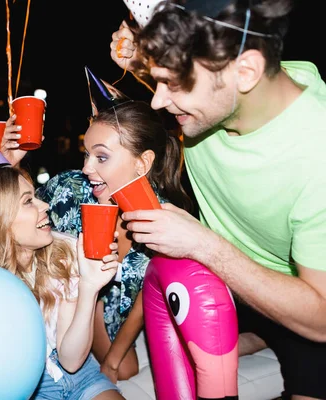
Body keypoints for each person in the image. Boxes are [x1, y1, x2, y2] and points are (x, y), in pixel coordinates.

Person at [108, 1, 326, 398]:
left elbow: (322, 317)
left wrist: (203, 244)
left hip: (300, 301)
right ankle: (258, 333)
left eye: (173, 84)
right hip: (222, 287)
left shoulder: (317, 154)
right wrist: (139, 58)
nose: (157, 101)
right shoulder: (219, 85)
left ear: (246, 72)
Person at [35, 98, 193, 383]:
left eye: (101, 157)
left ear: (142, 163)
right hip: (59, 301)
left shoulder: (163, 221)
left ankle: (255, 339)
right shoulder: (67, 188)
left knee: (125, 369)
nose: (87, 168)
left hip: (114, 311)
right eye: (86, 155)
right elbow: (15, 211)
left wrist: (112, 361)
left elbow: (148, 295)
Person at [0, 165, 125, 400]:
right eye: (28, 201)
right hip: (22, 386)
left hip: (80, 374)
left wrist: (89, 288)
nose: (45, 206)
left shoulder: (64, 252)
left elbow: (71, 361)